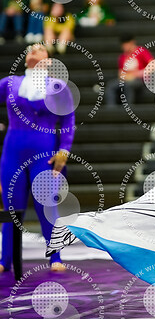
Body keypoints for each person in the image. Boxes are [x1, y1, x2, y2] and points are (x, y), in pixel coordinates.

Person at [0, 43, 75, 273]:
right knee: (11, 205)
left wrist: (64, 150)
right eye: (30, 48)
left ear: (49, 60)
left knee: (46, 205)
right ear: (25, 60)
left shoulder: (58, 86)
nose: (33, 49)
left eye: (40, 48)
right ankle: (5, 259)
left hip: (44, 152)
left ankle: (55, 256)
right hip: (12, 151)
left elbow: (69, 119)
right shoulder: (10, 83)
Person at [105, 34, 154, 105]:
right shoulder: (122, 57)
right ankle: (111, 108)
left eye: (126, 44)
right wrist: (127, 77)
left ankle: (128, 107)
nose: (125, 47)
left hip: (139, 80)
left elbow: (153, 65)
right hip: (126, 79)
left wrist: (138, 73)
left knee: (128, 85)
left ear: (132, 43)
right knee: (110, 86)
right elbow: (120, 73)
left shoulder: (141, 51)